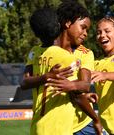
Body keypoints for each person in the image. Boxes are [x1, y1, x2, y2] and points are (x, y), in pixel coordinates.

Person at [20, 2, 102, 135]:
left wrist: (79, 91)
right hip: (57, 127)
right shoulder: (63, 56)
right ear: (67, 23)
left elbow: (25, 82)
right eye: (83, 27)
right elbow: (76, 95)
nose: (86, 33)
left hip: (41, 125)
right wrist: (96, 119)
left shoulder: (37, 52)